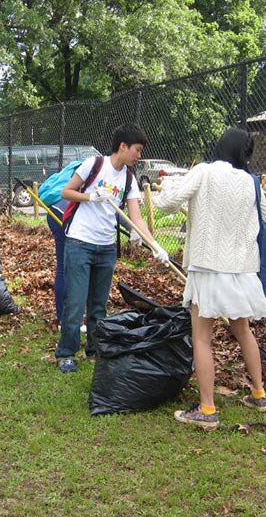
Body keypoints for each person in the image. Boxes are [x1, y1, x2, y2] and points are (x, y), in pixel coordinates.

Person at [153, 128, 266, 430]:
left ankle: (207, 410)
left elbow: (169, 203)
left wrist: (160, 191)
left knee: (201, 337)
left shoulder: (204, 172)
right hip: (243, 270)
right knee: (243, 331)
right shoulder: (251, 182)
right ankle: (259, 394)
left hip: (208, 268)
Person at [55, 123, 168, 373]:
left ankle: (94, 350)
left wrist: (154, 244)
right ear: (123, 146)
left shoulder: (129, 179)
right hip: (80, 242)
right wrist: (90, 196)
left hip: (106, 248)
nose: (139, 155)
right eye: (137, 150)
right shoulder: (94, 165)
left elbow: (136, 218)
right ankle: (66, 353)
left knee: (99, 304)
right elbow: (67, 192)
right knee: (75, 301)